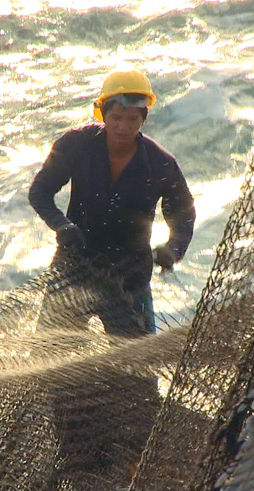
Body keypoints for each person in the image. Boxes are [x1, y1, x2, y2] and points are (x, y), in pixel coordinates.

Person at [28, 69, 196, 338]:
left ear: (143, 118)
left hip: (130, 278)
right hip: (75, 266)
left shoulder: (161, 163)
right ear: (103, 114)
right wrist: (62, 226)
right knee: (49, 353)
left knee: (137, 372)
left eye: (132, 119)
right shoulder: (76, 144)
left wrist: (173, 249)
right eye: (116, 117)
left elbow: (183, 213)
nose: (123, 126)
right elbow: (39, 192)